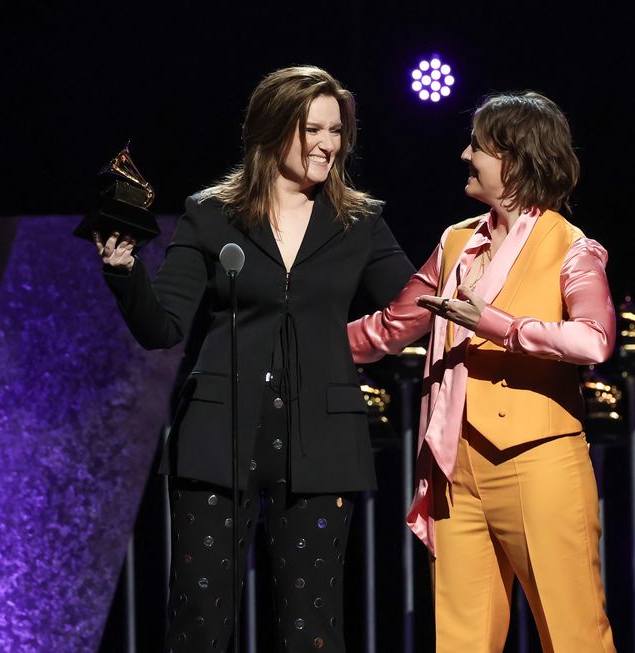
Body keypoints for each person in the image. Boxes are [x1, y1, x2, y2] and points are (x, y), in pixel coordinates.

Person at [94, 66, 414, 653]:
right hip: (218, 434)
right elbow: (162, 327)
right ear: (272, 129)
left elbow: (417, 302)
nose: (327, 144)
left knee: (311, 628)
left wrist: (481, 256)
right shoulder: (210, 214)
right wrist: (124, 273)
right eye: (312, 129)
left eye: (336, 131)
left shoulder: (359, 222)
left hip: (322, 439)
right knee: (199, 622)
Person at [348, 91, 617, 652]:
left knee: (574, 636)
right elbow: (392, 326)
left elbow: (594, 340)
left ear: (514, 161)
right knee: (460, 641)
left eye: (478, 146)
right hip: (455, 469)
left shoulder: (571, 247)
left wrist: (494, 323)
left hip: (538, 463)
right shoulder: (456, 242)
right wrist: (297, 345)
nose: (465, 155)